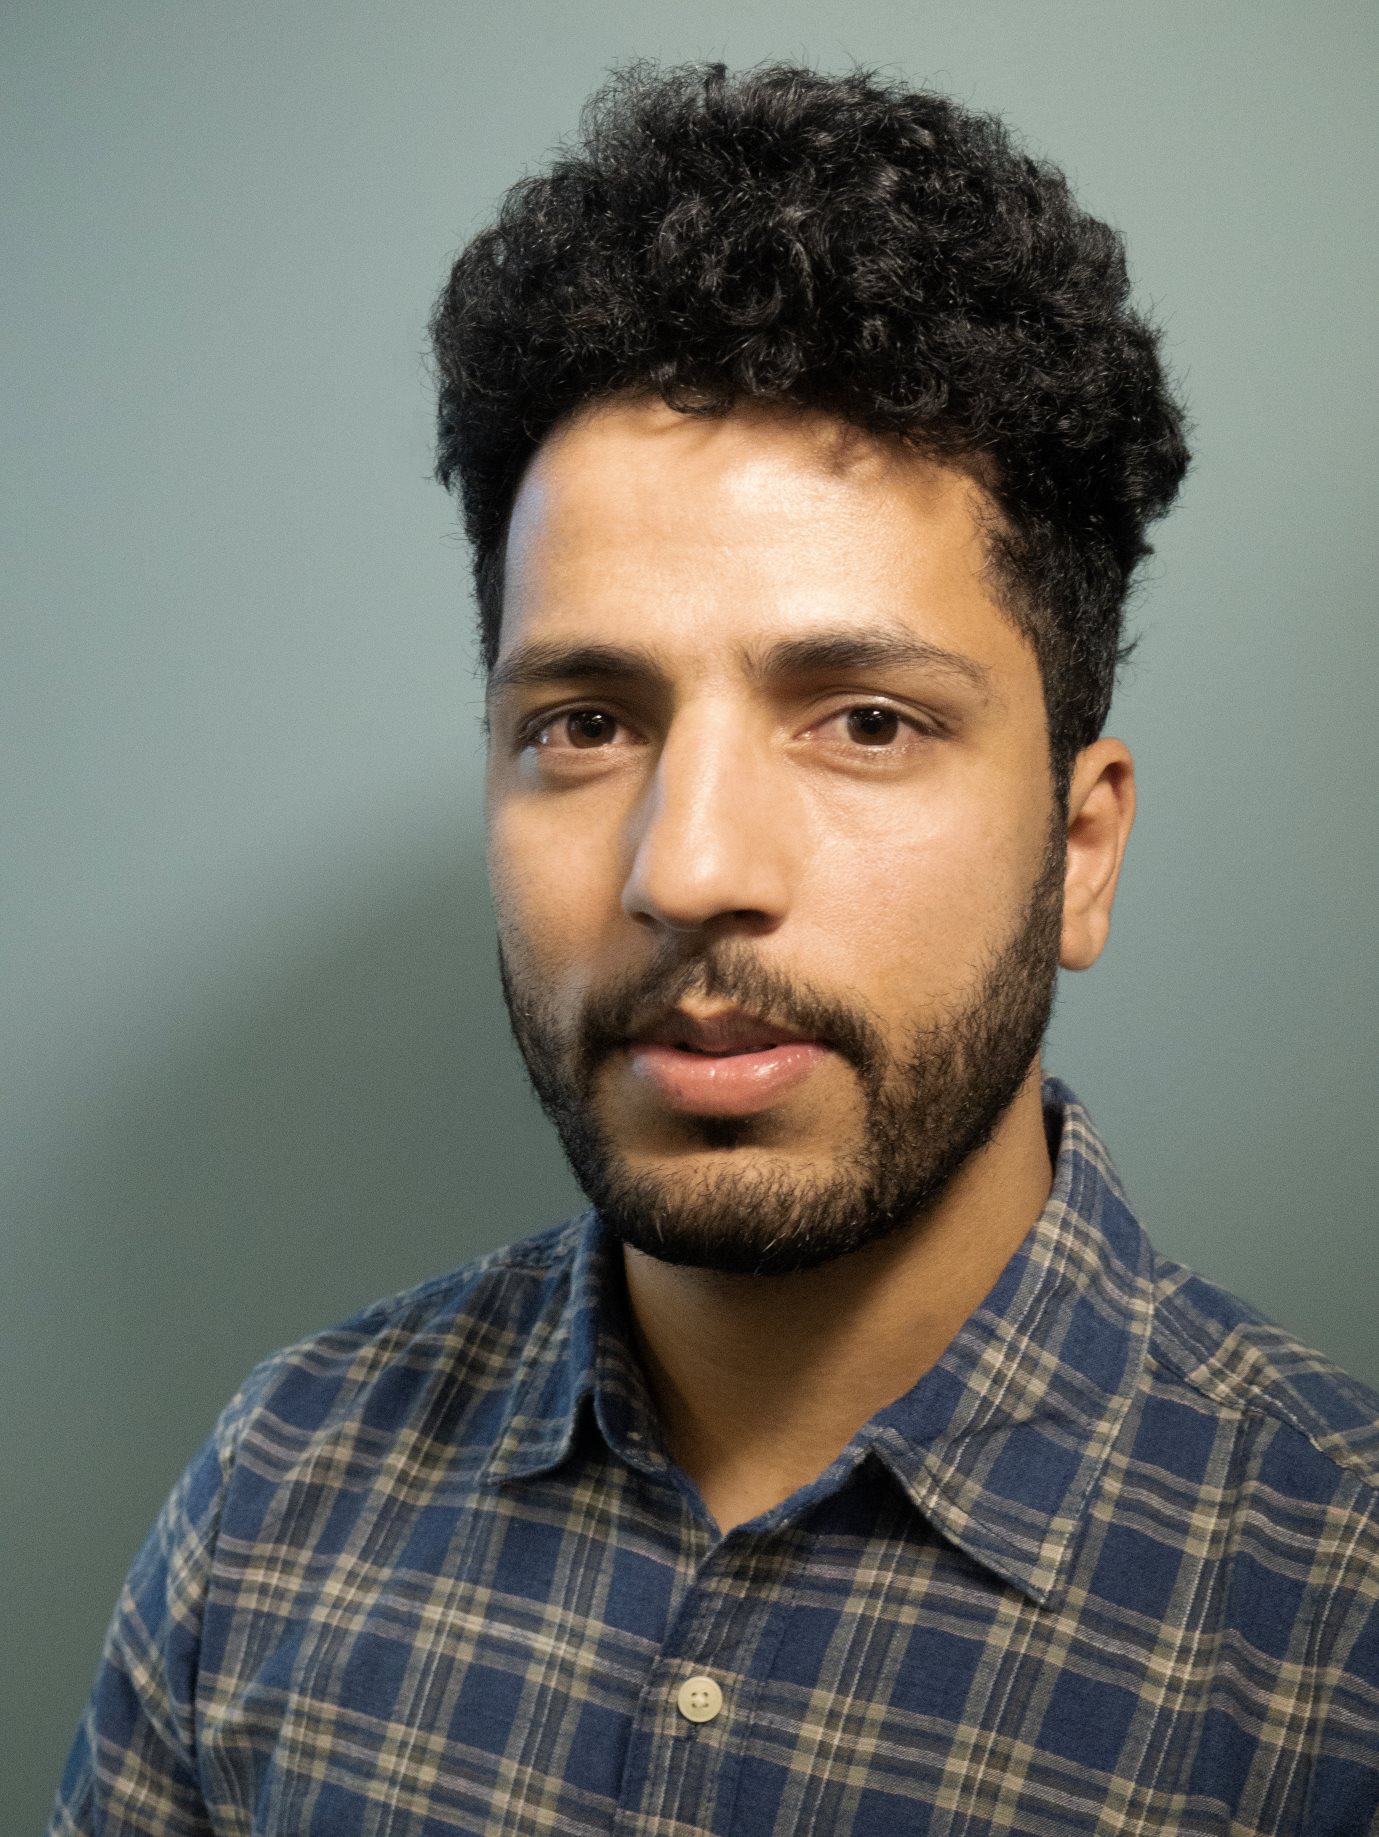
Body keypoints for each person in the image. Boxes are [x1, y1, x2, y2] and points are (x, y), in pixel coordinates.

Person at [52, 62, 1379, 1837]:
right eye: (586, 724)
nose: (688, 869)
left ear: (1080, 849)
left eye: (867, 721)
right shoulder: (278, 1492)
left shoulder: (1340, 1617)